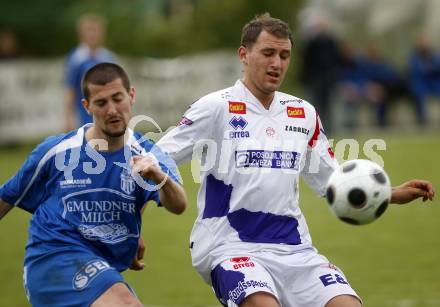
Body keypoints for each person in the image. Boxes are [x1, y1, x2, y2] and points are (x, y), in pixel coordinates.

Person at [157, 13, 435, 307]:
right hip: (230, 247)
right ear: (244, 54)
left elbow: (332, 180)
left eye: (284, 55)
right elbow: (157, 157)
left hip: (295, 249)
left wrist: (389, 194)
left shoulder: (303, 113)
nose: (277, 63)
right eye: (268, 53)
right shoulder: (215, 107)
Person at [0, 63, 187, 307]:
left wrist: (157, 176)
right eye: (101, 103)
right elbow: (7, 196)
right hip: (53, 259)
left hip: (102, 267)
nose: (112, 110)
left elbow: (179, 205)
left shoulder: (148, 154)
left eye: (117, 98)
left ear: (131, 96)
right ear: (87, 107)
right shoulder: (57, 152)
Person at [64, 13, 117, 132]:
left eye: (96, 30)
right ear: (81, 34)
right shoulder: (76, 59)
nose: (92, 34)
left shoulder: (108, 57)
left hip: (107, 112)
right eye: (89, 30)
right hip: (84, 114)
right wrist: (68, 118)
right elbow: (70, 89)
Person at [408, 34, 440, 125]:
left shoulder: (434, 54)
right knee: (418, 94)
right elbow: (414, 70)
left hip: (434, 82)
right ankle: (422, 121)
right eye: (421, 42)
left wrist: (430, 68)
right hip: (421, 82)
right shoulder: (414, 56)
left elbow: (437, 68)